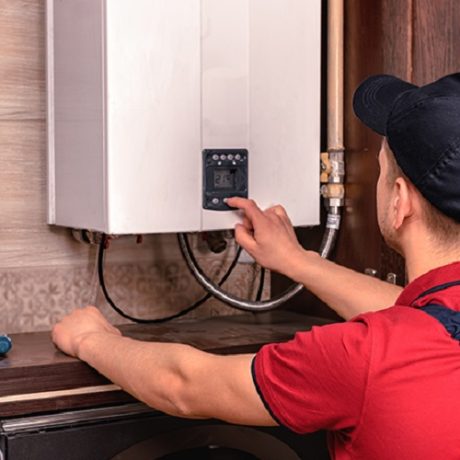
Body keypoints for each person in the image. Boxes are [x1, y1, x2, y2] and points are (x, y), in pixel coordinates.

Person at [52, 73, 460, 459]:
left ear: (399, 201)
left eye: (382, 170)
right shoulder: (427, 328)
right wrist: (296, 261)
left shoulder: (363, 357)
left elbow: (183, 386)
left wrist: (88, 339)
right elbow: (413, 318)